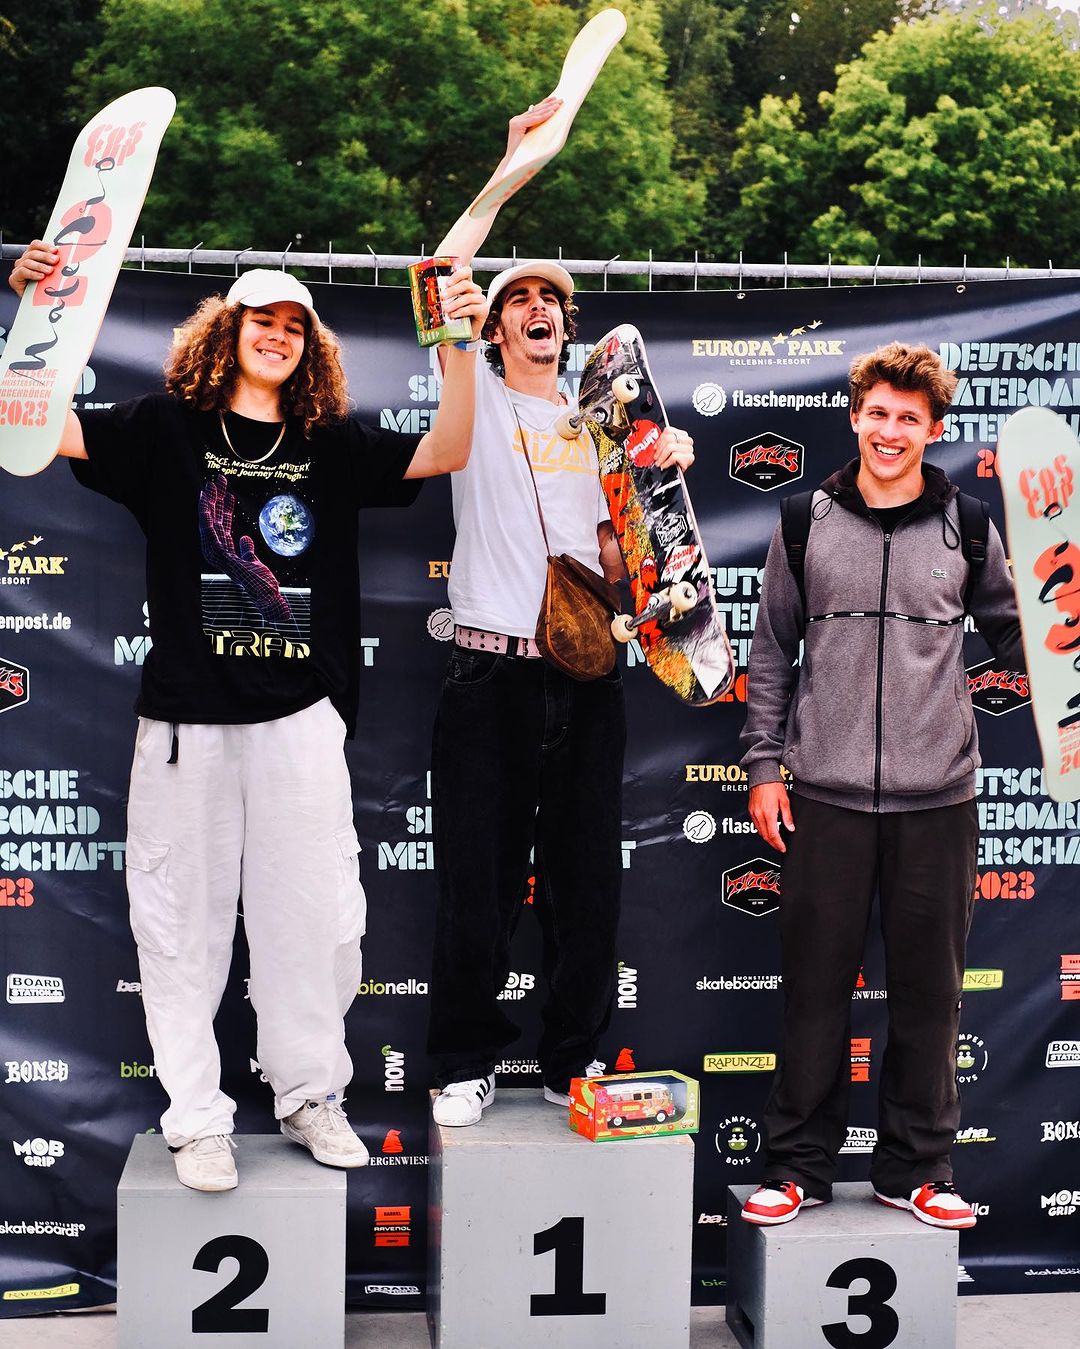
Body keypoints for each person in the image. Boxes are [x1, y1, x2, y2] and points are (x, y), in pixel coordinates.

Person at [7, 245, 487, 1190]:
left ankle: (308, 1095)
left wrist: (460, 342)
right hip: (185, 726)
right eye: (261, 319)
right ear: (227, 331)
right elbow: (35, 425)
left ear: (310, 346)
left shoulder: (329, 442)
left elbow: (448, 449)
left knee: (312, 925)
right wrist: (34, 318)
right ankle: (196, 1119)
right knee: (179, 932)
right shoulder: (163, 427)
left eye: (294, 325)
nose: (277, 335)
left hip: (300, 723)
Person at [420, 102, 697, 1126]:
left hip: (587, 677)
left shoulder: (607, 429)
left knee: (586, 890)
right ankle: (462, 1060)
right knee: (478, 887)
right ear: (495, 327)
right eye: (519, 299)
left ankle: (570, 1058)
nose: (538, 308)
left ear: (568, 327)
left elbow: (621, 564)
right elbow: (438, 271)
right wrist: (511, 170)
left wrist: (660, 488)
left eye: (553, 300)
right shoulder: (477, 396)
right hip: (489, 676)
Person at [738, 342, 1024, 1228]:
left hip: (938, 801)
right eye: (878, 413)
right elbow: (771, 651)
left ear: (933, 429)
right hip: (822, 798)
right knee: (814, 992)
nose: (890, 431)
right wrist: (763, 766)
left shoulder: (969, 524)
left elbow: (1021, 635)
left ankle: (919, 1168)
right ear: (855, 416)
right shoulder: (804, 520)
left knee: (932, 999)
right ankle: (797, 1166)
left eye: (909, 418)